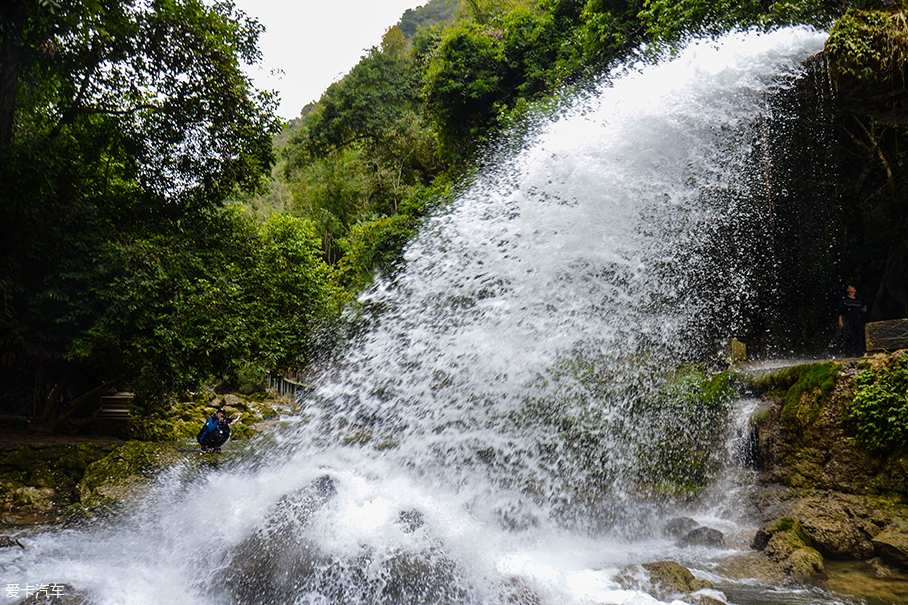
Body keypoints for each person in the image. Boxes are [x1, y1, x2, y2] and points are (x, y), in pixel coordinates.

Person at [838, 285, 868, 357]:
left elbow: (862, 308)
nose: (850, 288)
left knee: (859, 336)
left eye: (852, 287)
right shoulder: (845, 299)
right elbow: (841, 311)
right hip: (848, 320)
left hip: (857, 319)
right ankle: (849, 353)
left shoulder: (858, 299)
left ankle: (860, 353)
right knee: (850, 336)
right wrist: (840, 321)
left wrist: (864, 310)